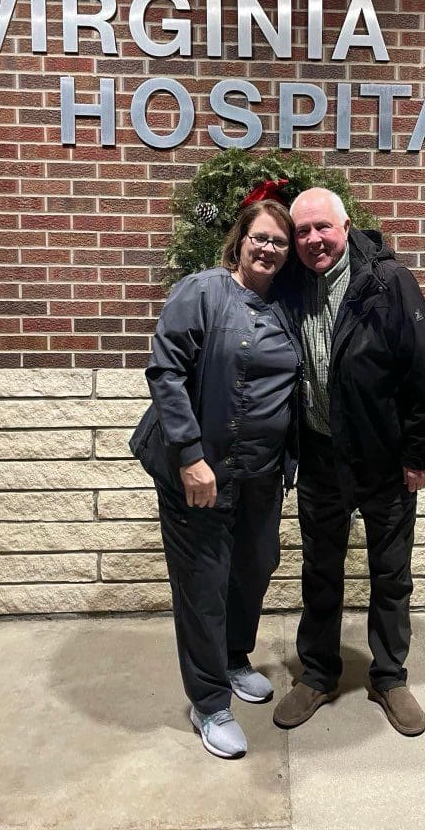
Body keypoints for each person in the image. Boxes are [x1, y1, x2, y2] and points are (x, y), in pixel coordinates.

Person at [273, 188, 425, 737]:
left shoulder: (388, 283)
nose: (312, 240)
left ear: (346, 226)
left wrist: (420, 454)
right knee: (319, 571)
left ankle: (389, 677)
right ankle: (319, 673)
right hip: (322, 458)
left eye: (321, 227)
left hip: (383, 461)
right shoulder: (289, 284)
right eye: (302, 232)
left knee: (390, 575)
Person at [130, 198, 302, 760]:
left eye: (280, 241)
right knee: (203, 585)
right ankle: (209, 702)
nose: (269, 248)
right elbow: (166, 369)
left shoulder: (289, 309)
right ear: (241, 239)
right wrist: (188, 454)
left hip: (261, 474)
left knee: (254, 568)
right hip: (198, 475)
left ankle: (232, 659)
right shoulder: (201, 290)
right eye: (261, 237)